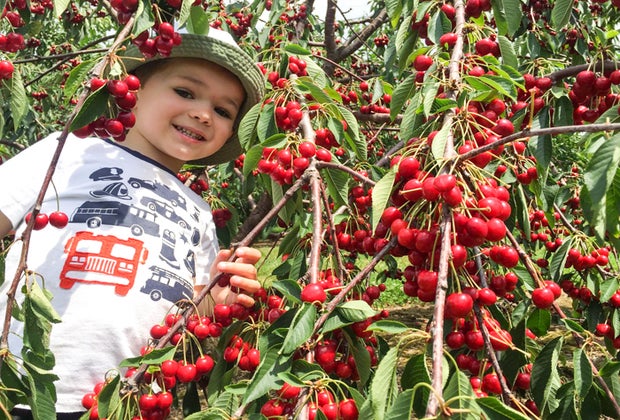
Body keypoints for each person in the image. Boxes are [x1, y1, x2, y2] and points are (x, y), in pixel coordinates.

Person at [0, 27, 265, 418]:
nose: (203, 113)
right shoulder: (68, 150)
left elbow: (188, 306)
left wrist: (216, 299)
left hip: (125, 400)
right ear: (132, 90)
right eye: (185, 92)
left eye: (223, 111)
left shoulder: (199, 210)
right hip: (18, 383)